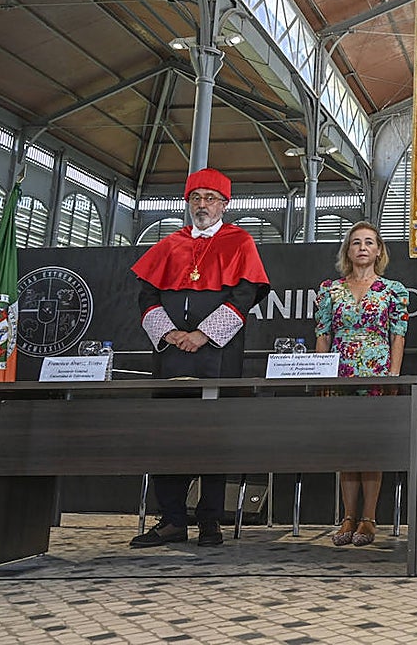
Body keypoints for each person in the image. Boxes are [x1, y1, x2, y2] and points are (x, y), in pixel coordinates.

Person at [128, 167, 270, 548]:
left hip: (217, 354)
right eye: (196, 198)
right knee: (168, 434)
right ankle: (172, 519)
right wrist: (169, 334)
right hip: (172, 355)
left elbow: (244, 296)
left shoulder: (240, 242)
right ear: (188, 203)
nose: (202, 205)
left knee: (214, 435)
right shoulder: (169, 244)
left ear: (224, 204)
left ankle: (210, 520)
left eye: (210, 198)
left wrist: (202, 335)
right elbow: (147, 296)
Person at [314, 221, 409, 547]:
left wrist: (393, 376)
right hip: (339, 375)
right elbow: (323, 335)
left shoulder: (394, 290)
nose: (363, 247)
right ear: (348, 250)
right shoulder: (330, 290)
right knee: (346, 446)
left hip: (377, 376)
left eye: (369, 242)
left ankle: (368, 519)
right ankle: (347, 517)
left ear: (379, 250)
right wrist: (321, 374)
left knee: (371, 446)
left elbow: (398, 336)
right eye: (356, 242)